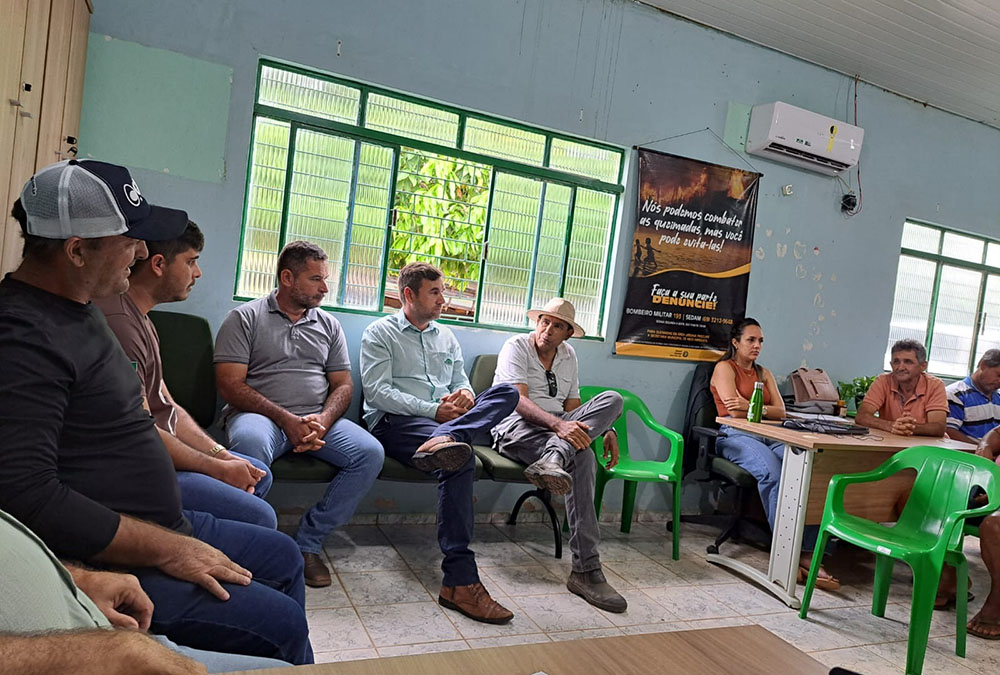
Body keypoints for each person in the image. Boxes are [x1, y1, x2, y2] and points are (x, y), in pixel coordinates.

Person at [0, 159, 311, 665]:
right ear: (77, 251)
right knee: (281, 623)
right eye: (129, 240)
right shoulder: (23, 338)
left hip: (161, 521)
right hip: (112, 551)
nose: (143, 252)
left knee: (283, 555)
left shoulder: (79, 306)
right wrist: (168, 549)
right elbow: (26, 494)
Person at [215, 240, 384, 587]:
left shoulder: (329, 325)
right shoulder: (244, 318)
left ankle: (308, 543)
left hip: (315, 419)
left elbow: (343, 385)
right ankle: (242, 545)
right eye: (315, 279)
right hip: (260, 417)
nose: (324, 288)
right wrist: (285, 420)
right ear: (287, 278)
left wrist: (323, 420)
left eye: (325, 279)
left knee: (370, 453)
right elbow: (230, 386)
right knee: (249, 445)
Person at [360, 261, 519, 624]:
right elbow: (378, 393)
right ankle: (459, 583)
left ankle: (444, 439)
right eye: (434, 292)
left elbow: (460, 380)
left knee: (507, 393)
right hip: (397, 423)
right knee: (460, 458)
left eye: (442, 292)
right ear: (409, 294)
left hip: (446, 423)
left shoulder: (445, 336)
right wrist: (435, 411)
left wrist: (464, 396)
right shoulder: (379, 333)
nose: (443, 300)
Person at [95, 221, 276, 529]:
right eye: (191, 261)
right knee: (261, 516)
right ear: (158, 265)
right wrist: (217, 468)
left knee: (258, 473)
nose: (198, 272)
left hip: (161, 452)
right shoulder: (120, 324)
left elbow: (168, 405)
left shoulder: (142, 319)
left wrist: (221, 455)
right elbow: (140, 432)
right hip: (142, 467)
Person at [0, 507, 289, 674]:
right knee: (280, 621)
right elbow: (37, 495)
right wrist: (93, 654)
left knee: (281, 555)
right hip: (75, 656)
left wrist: (76, 578)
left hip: (90, 630)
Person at [492, 298, 627, 612]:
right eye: (544, 322)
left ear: (568, 333)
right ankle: (586, 569)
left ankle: (553, 458)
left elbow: (573, 408)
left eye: (557, 326)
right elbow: (517, 401)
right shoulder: (516, 347)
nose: (548, 330)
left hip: (557, 432)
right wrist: (558, 426)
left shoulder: (569, 356)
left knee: (613, 400)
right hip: (515, 427)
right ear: (537, 322)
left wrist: (606, 429)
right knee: (583, 457)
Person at [711, 317, 838, 589]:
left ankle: (807, 552)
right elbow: (733, 411)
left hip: (771, 434)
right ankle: (788, 554)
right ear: (735, 342)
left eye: (760, 341)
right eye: (751, 340)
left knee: (807, 470)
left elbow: (781, 412)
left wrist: (751, 405)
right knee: (773, 473)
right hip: (735, 435)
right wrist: (756, 408)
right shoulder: (725, 368)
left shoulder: (764, 372)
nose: (757, 345)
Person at [856, 339, 948, 437]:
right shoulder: (883, 381)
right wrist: (890, 426)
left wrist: (907, 427)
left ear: (923, 366)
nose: (900, 367)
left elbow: (938, 427)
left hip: (926, 444)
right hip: (892, 441)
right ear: (891, 364)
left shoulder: (935, 385)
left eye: (908, 362)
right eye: (896, 362)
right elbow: (862, 416)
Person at [964, 428, 1000, 639]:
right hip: (991, 491)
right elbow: (997, 434)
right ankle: (948, 578)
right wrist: (985, 446)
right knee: (938, 499)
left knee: (994, 526)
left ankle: (998, 598)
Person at [945, 349, 1000, 443]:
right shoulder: (956, 395)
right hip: (968, 451)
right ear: (983, 365)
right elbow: (949, 432)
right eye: (999, 375)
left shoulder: (998, 398)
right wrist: (982, 448)